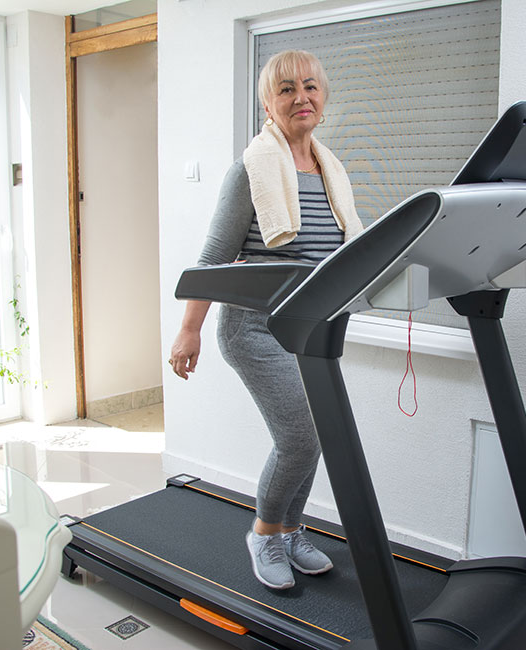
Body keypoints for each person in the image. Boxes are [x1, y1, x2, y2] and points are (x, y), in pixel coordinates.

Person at [167, 50, 363, 590]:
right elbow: (212, 257)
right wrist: (190, 329)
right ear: (268, 104)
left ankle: (291, 530)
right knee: (301, 435)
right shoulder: (250, 170)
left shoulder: (331, 170)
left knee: (317, 432)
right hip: (255, 329)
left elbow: (341, 253)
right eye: (285, 90)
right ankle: (264, 532)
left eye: (310, 86)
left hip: (311, 329)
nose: (301, 97)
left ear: (323, 96)